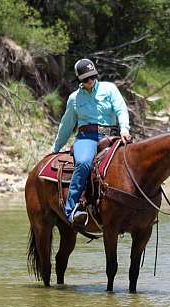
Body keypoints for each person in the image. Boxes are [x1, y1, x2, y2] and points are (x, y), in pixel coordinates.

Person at [52, 58, 131, 225]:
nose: (90, 81)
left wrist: (124, 128)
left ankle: (141, 208)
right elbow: (66, 125)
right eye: (86, 79)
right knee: (84, 163)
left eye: (92, 77)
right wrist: (56, 148)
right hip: (86, 137)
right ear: (80, 80)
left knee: (134, 161)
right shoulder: (74, 99)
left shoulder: (109, 89)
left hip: (111, 135)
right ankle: (72, 210)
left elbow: (121, 109)